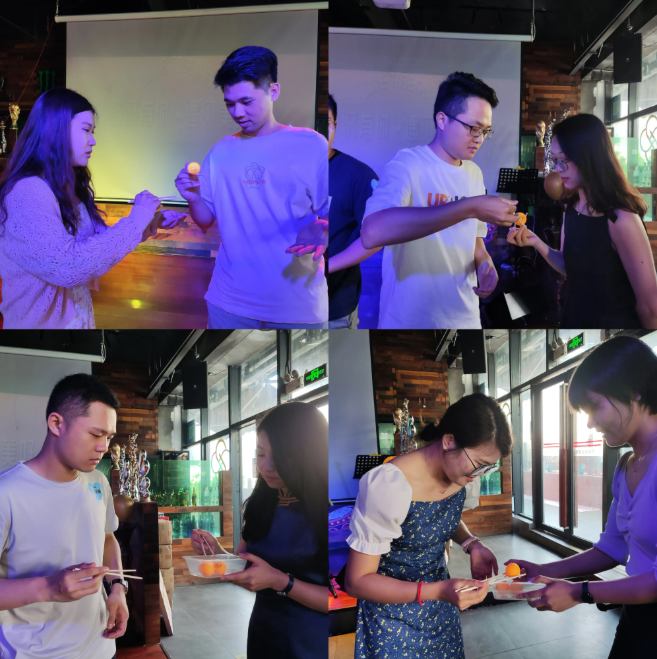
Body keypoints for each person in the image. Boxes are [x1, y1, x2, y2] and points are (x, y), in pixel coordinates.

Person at [509, 335, 657, 659]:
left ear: (635, 391)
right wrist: (543, 569)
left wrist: (579, 592)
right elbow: (612, 549)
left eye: (594, 407)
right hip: (637, 617)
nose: (589, 423)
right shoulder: (625, 466)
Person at [0, 88, 186, 329]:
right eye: (86, 129)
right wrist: (136, 218)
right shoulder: (28, 191)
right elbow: (67, 266)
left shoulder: (66, 183)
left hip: (78, 318)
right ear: (56, 129)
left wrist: (149, 221)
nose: (93, 140)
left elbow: (96, 242)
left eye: (92, 131)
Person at [345, 393, 513, 658]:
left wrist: (472, 543)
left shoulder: (462, 474)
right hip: (392, 617)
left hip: (440, 607)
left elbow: (439, 518)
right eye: (479, 465)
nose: (478, 475)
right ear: (448, 441)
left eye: (487, 468)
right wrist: (437, 590)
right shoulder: (390, 484)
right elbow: (357, 581)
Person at [174, 46, 330, 330]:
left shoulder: (311, 145)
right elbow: (206, 220)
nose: (238, 112)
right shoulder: (221, 152)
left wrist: (324, 230)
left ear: (273, 91)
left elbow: (331, 215)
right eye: (229, 104)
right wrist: (193, 197)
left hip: (297, 303)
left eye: (246, 101)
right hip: (229, 301)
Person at [359, 71, 520, 329]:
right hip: (408, 319)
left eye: (485, 131)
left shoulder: (474, 173)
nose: (479, 139)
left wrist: (485, 265)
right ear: (442, 120)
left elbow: (475, 242)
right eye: (473, 128)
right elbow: (372, 232)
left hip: (464, 317)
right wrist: (470, 206)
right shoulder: (408, 164)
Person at [0, 373, 128, 659]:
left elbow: (107, 538)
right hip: (32, 653)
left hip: (100, 646)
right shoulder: (6, 493)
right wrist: (49, 587)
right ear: (56, 423)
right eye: (95, 434)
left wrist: (118, 587)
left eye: (109, 437)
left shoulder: (99, 482)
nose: (104, 447)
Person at [190, 402, 328, 658]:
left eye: (281, 456)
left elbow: (340, 599)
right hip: (264, 632)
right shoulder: (261, 504)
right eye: (261, 455)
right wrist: (215, 551)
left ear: (308, 454)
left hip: (309, 640)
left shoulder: (331, 512)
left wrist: (280, 581)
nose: (266, 467)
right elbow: (245, 564)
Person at [507, 114, 657, 328]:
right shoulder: (571, 207)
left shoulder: (622, 220)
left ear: (590, 158)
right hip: (573, 318)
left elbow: (650, 307)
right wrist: (536, 242)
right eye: (555, 160)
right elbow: (569, 266)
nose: (557, 169)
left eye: (564, 160)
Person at [326, 93, 380, 329]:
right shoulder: (285, 171)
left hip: (334, 306)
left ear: (335, 126)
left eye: (327, 123)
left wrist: (327, 267)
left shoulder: (359, 175)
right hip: (282, 303)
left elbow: (376, 238)